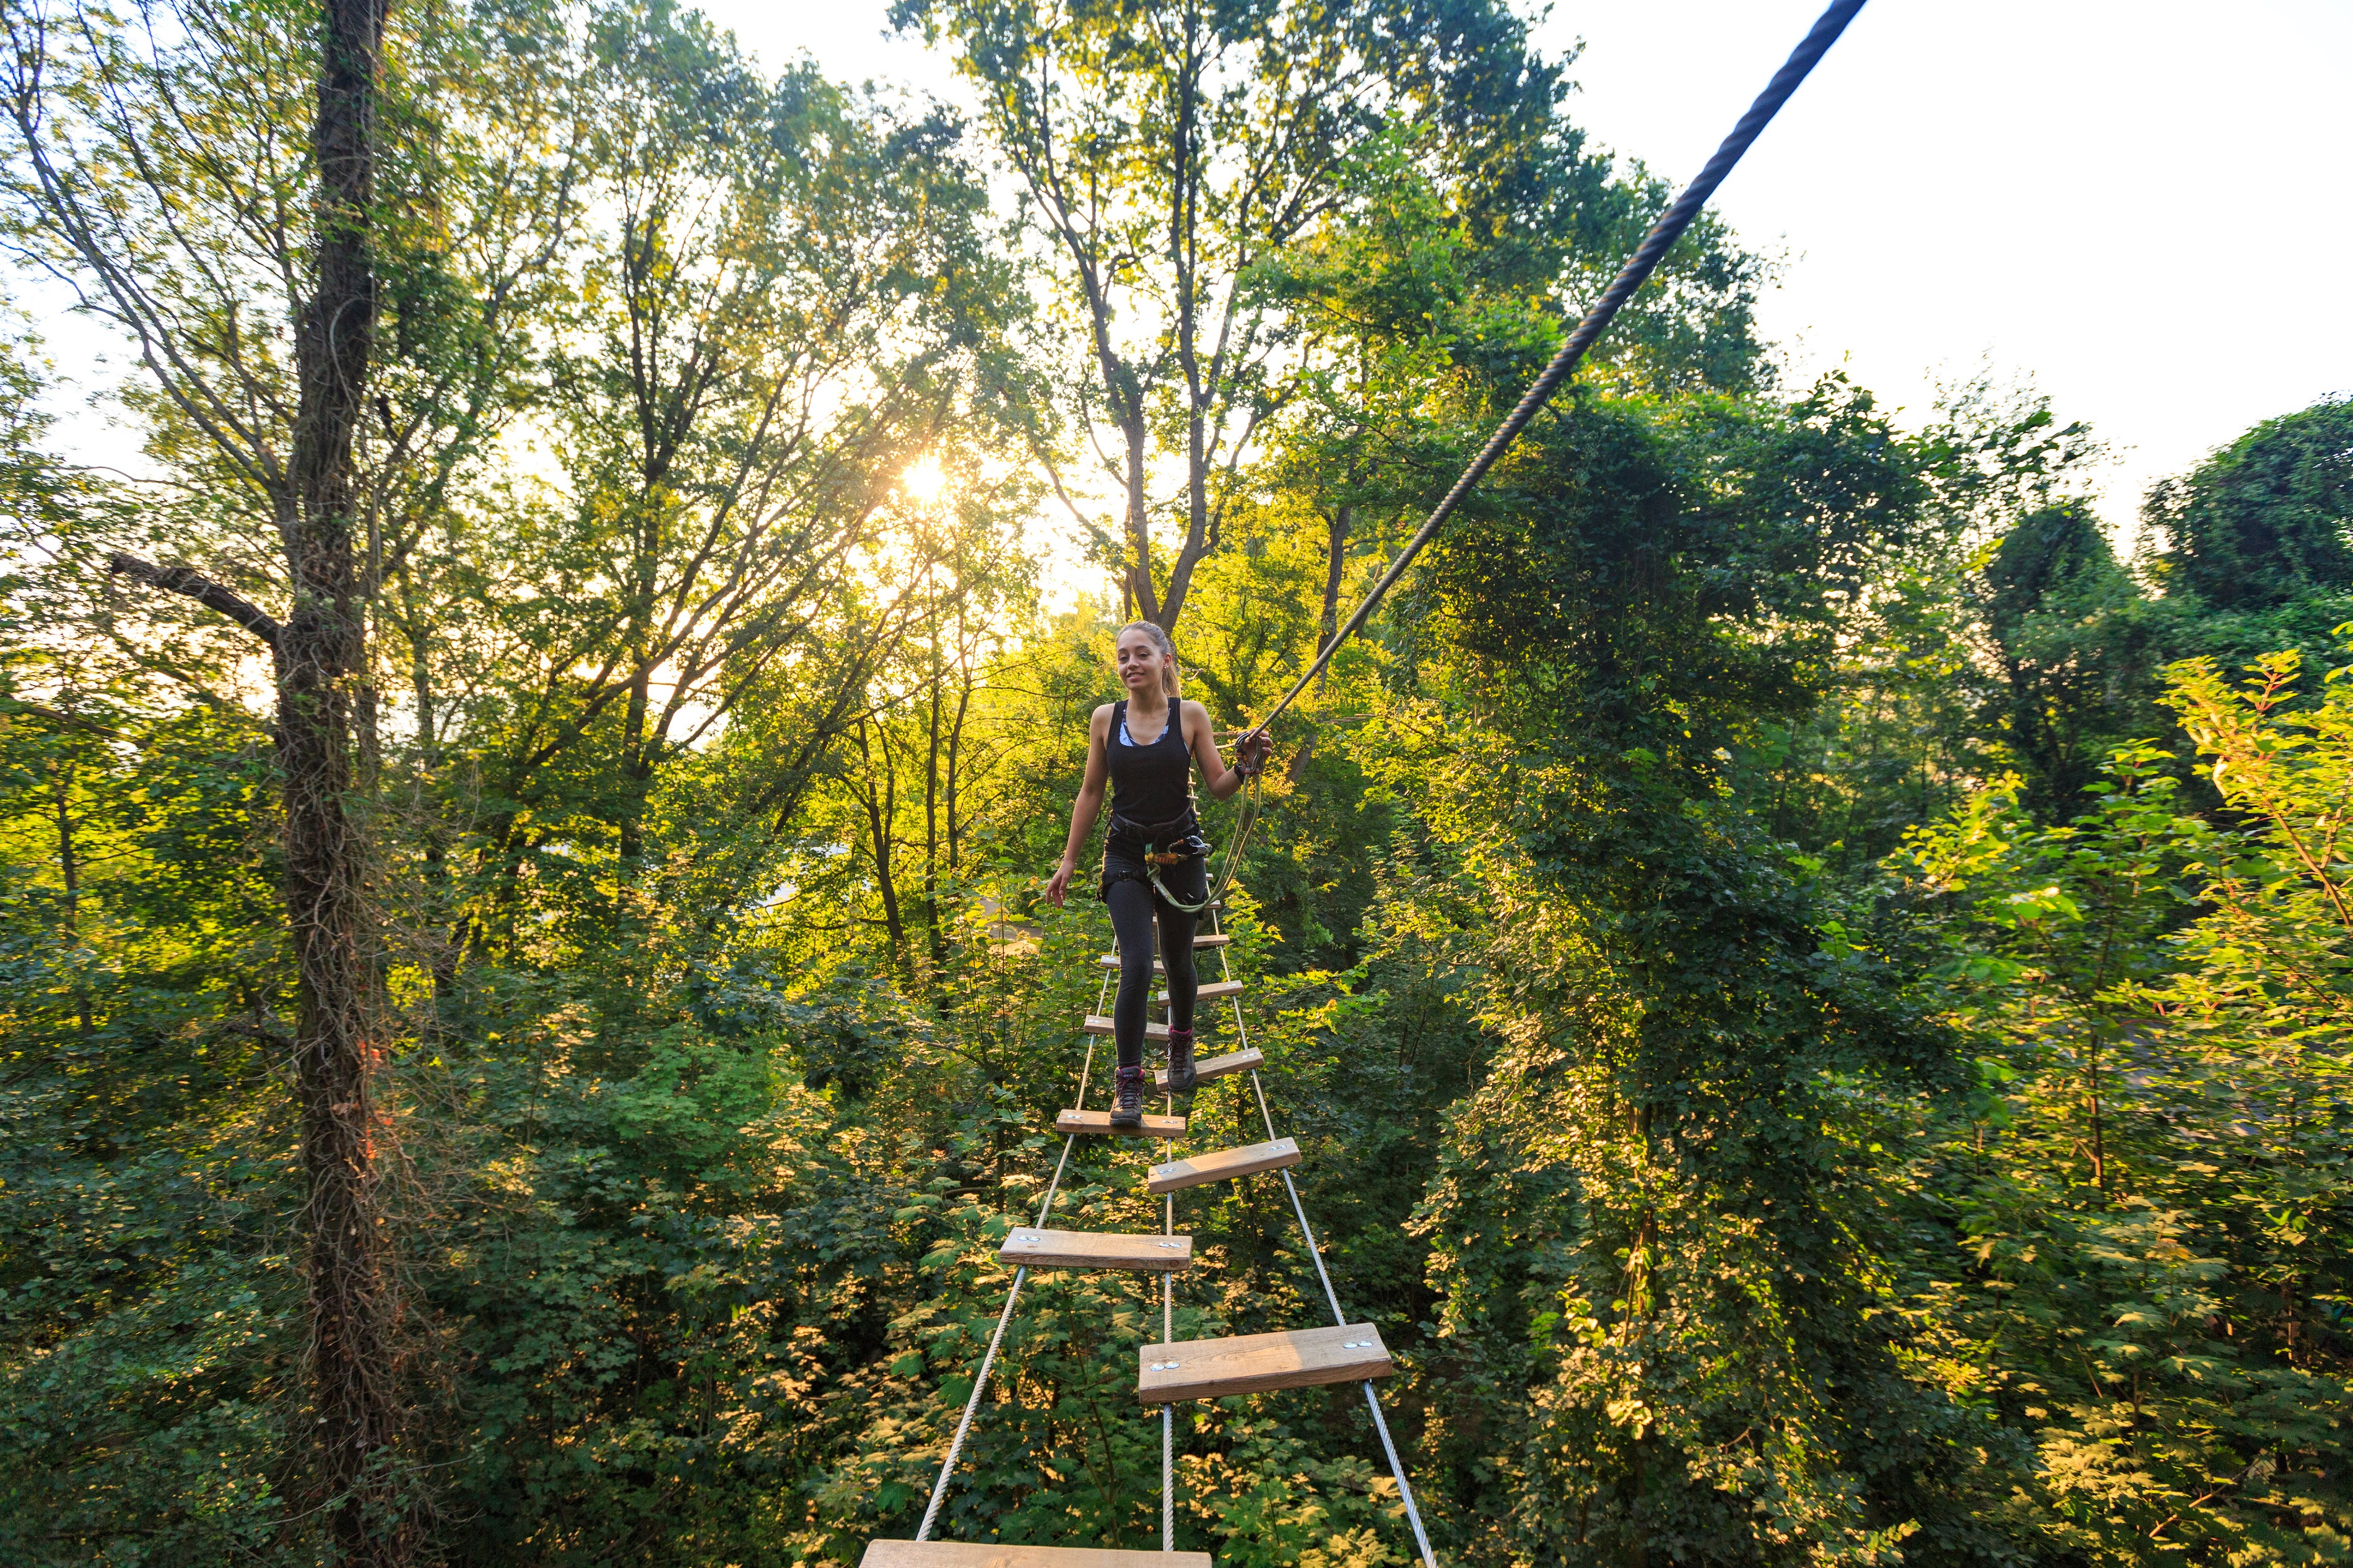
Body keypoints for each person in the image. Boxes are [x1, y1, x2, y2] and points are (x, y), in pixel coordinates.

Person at [1046, 622, 1270, 1127]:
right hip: (1125, 851)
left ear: (1165, 659)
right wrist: (1069, 861)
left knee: (1178, 961)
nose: (1131, 664)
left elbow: (1218, 785)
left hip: (1181, 850)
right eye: (1123, 656)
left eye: (1141, 654)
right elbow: (1091, 792)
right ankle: (1129, 1086)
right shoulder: (1105, 719)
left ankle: (1180, 1043)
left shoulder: (1189, 715)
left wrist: (1247, 766)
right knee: (1138, 965)